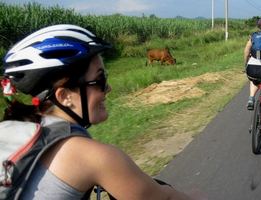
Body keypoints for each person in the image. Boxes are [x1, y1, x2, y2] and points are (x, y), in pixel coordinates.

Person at [1, 24, 194, 199]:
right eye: (100, 80)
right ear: (64, 96)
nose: (108, 88)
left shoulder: (19, 133)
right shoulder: (93, 156)